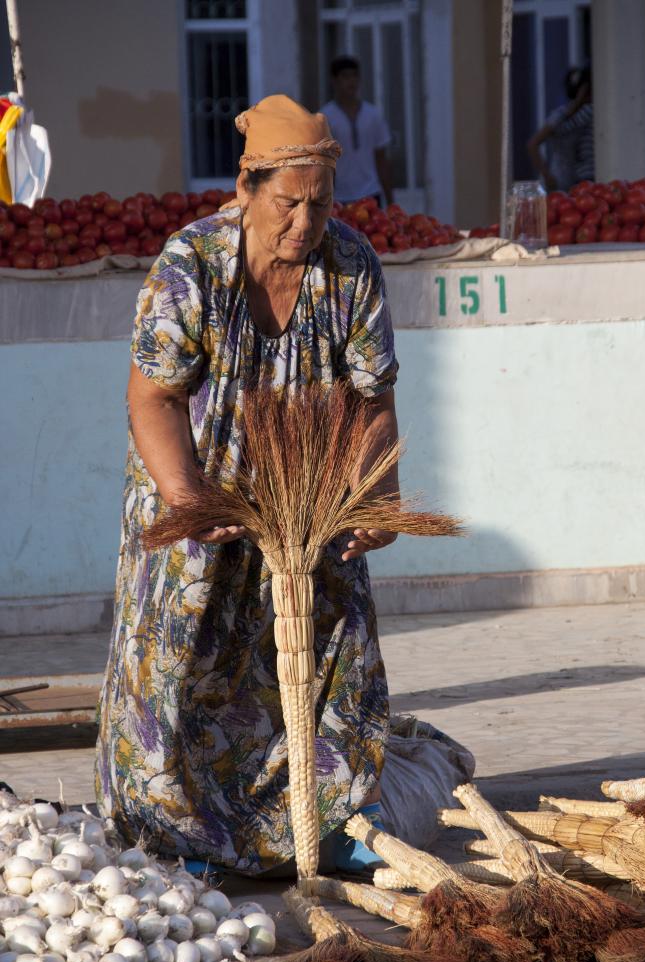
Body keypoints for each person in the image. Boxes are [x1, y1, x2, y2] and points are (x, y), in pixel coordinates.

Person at [95, 95, 405, 876]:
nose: (304, 224)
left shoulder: (350, 266)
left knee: (333, 645)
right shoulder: (190, 264)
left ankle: (324, 818)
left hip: (305, 493)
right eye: (287, 203)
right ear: (246, 190)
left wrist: (374, 493)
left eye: (320, 204)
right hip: (194, 494)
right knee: (181, 660)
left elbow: (371, 400)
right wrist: (187, 495)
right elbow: (152, 398)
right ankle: (175, 836)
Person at [321, 55, 393, 207]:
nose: (351, 81)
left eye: (354, 76)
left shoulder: (373, 115)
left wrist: (391, 201)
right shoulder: (325, 117)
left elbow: (381, 160)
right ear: (334, 80)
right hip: (338, 198)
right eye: (345, 76)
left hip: (370, 194)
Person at [527, 66, 594, 192]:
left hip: (580, 180)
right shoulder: (562, 115)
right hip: (560, 182)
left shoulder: (589, 114)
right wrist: (547, 176)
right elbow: (533, 144)